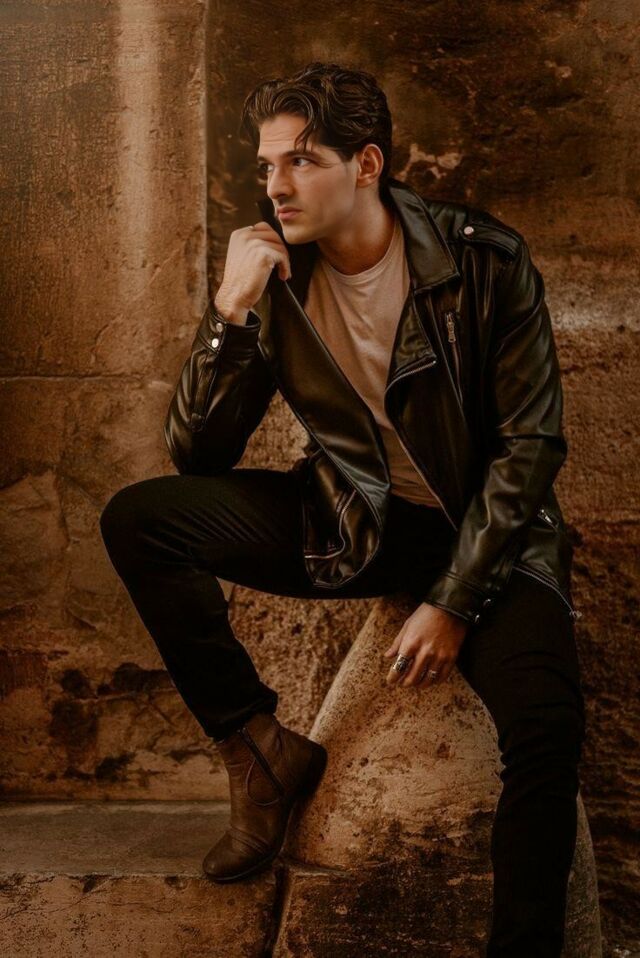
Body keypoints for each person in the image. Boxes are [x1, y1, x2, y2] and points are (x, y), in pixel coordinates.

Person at [99, 61, 586, 957]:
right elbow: (198, 455)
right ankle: (258, 748)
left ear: (366, 164)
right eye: (267, 165)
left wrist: (454, 602)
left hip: (492, 534)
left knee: (548, 731)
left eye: (301, 161)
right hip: (357, 520)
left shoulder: (484, 260)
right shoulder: (277, 276)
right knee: (142, 519)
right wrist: (230, 314)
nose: (275, 186)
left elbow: (529, 448)